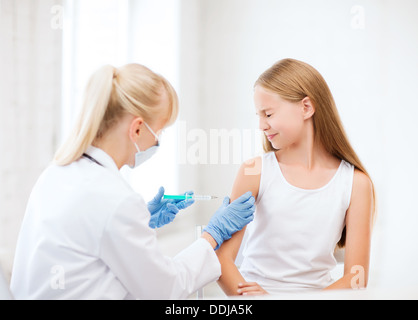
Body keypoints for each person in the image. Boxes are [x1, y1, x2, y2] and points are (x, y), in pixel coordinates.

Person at [10, 64, 255, 300]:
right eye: (159, 131)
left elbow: (86, 237)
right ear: (137, 129)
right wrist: (213, 234)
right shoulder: (117, 200)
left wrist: (142, 221)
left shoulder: (55, 173)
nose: (158, 141)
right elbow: (166, 289)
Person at [216, 59, 375, 296]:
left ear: (307, 108)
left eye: (268, 114)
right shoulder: (254, 172)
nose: (261, 125)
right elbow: (221, 259)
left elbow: (356, 278)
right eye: (258, 116)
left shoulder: (356, 184)